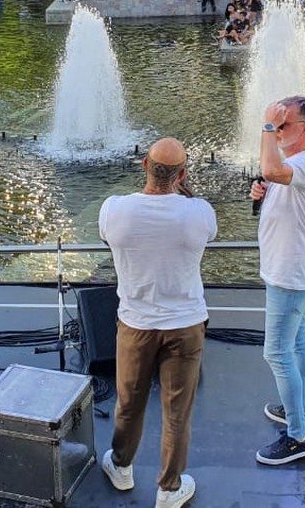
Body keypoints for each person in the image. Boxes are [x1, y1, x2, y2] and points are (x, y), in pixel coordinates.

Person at [98, 137, 215, 508]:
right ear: (182, 174)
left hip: (135, 324)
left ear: (144, 166)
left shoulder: (115, 210)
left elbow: (106, 237)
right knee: (177, 412)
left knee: (129, 402)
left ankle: (121, 466)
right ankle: (168, 488)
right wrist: (185, 194)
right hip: (186, 325)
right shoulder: (198, 212)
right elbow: (206, 233)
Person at [250, 96, 305, 466]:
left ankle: (298, 436)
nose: (277, 131)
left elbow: (270, 169)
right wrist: (261, 197)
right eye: (275, 125)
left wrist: (266, 126)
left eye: (284, 125)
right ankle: (299, 409)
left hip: (290, 274)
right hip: (289, 269)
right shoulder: (295, 164)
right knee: (297, 343)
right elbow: (272, 178)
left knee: (276, 353)